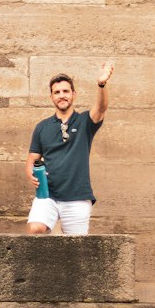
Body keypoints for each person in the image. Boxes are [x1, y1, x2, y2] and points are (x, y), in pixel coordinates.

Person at [25, 61, 114, 236]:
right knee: (36, 229)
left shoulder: (85, 122)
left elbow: (101, 107)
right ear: (51, 97)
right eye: (56, 92)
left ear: (73, 94)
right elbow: (31, 160)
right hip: (47, 194)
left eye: (65, 91)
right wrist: (31, 175)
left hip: (77, 197)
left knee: (75, 250)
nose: (61, 95)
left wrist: (101, 84)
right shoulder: (42, 127)